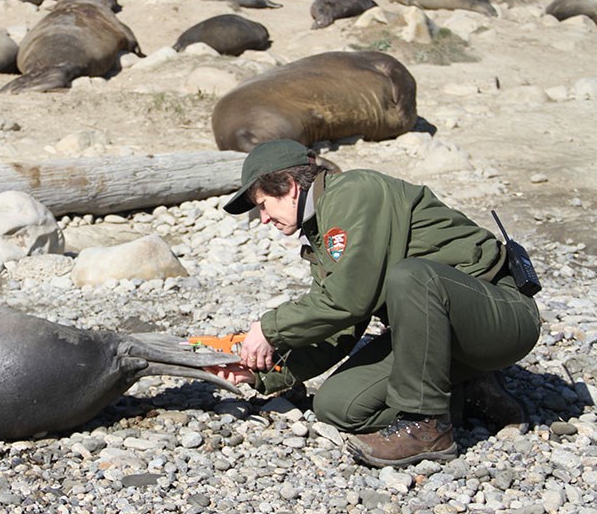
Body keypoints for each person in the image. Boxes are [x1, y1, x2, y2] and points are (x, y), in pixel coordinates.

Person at [206, 139, 541, 468]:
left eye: (263, 205)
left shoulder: (354, 193)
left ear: (291, 186)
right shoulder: (320, 231)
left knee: (413, 276)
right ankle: (466, 390)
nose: (263, 218)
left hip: (503, 318)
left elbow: (348, 300)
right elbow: (340, 326)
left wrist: (269, 328)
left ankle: (427, 426)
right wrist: (263, 374)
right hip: (439, 339)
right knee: (336, 405)